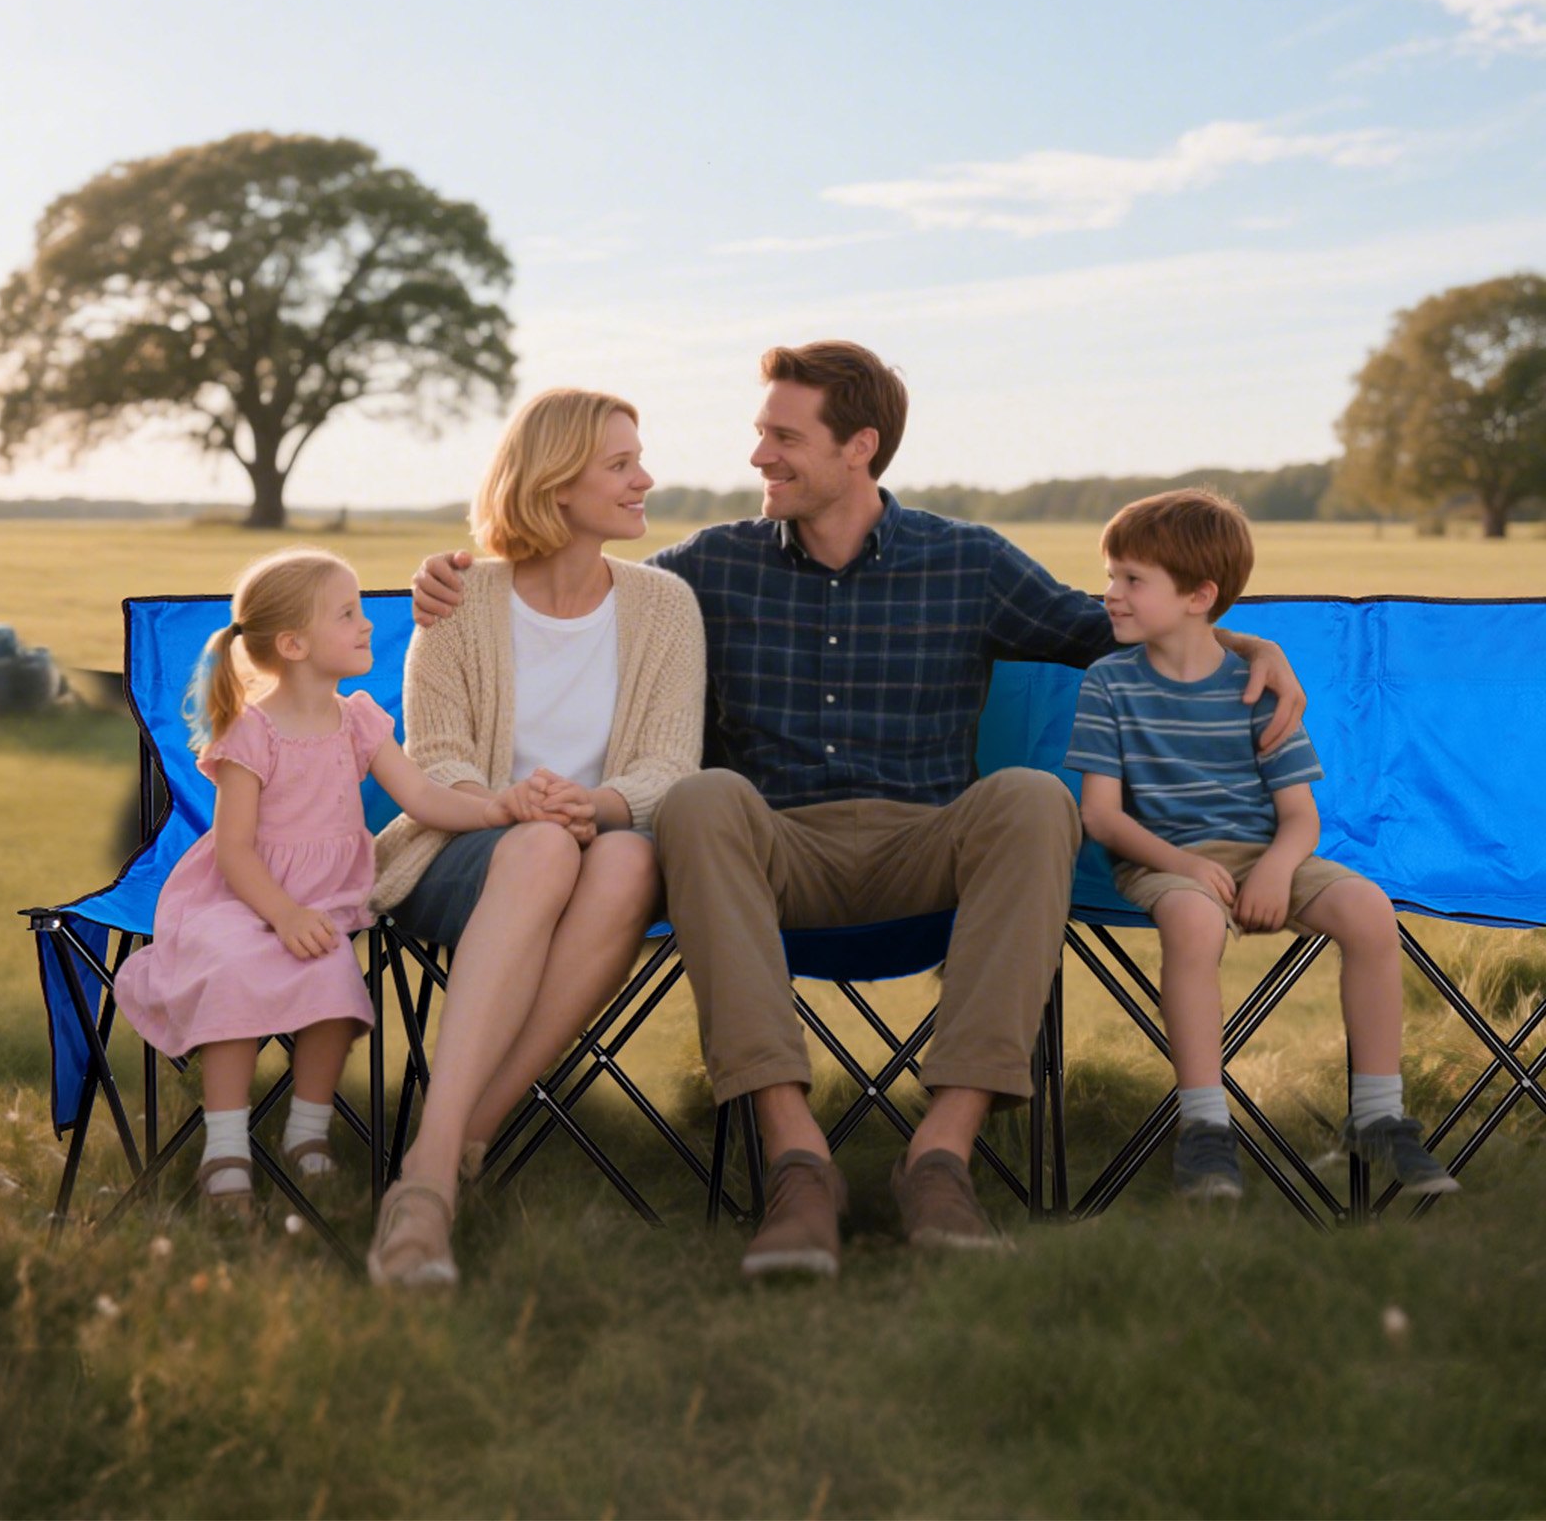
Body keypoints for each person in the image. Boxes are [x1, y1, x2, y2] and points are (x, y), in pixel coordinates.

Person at [413, 341, 1306, 1278]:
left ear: (860, 447)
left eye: (783, 437)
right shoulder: (705, 572)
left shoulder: (967, 560)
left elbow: (1112, 633)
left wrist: (1245, 646)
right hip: (773, 853)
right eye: (761, 433)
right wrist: (459, 575)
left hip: (924, 846)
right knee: (703, 796)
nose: (758, 456)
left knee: (1036, 801)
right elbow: (575, 579)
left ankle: (942, 1156)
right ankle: (797, 1163)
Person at [368, 388, 705, 1288]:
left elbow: (670, 767)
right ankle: (435, 1168)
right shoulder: (460, 601)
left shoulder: (666, 607)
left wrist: (592, 807)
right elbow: (433, 760)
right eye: (621, 464)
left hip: (601, 849)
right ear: (556, 484)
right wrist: (511, 806)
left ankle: (455, 1150)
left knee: (629, 853)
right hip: (461, 852)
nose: (646, 479)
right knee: (548, 849)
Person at [1065, 489, 1458, 1200]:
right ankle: (1205, 1128)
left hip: (1262, 852)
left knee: (1369, 909)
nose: (1110, 595)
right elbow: (1101, 817)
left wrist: (1277, 869)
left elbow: (1300, 817)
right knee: (1192, 918)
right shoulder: (1108, 684)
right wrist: (1184, 864)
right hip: (1160, 857)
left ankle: (1377, 1113)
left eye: (1131, 580)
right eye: (1110, 576)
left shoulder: (1257, 687)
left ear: (1198, 596)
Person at [113, 547, 509, 1221]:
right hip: (241, 896)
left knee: (335, 990)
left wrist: (500, 810)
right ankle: (227, 1148)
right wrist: (284, 913)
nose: (366, 626)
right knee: (235, 972)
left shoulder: (357, 719)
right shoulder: (250, 731)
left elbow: (421, 795)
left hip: (326, 900)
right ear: (294, 644)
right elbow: (234, 851)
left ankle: (306, 1132)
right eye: (347, 614)